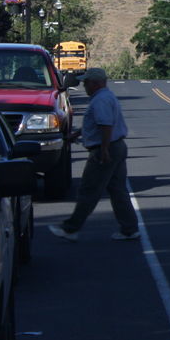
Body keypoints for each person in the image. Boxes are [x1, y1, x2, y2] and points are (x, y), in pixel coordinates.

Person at [48, 67, 140, 242]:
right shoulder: (106, 97)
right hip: (117, 145)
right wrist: (76, 134)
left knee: (89, 190)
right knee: (118, 190)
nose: (84, 86)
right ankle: (129, 228)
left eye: (86, 82)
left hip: (106, 148)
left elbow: (105, 125)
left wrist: (104, 150)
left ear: (96, 83)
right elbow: (98, 123)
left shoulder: (100, 101)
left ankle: (71, 228)